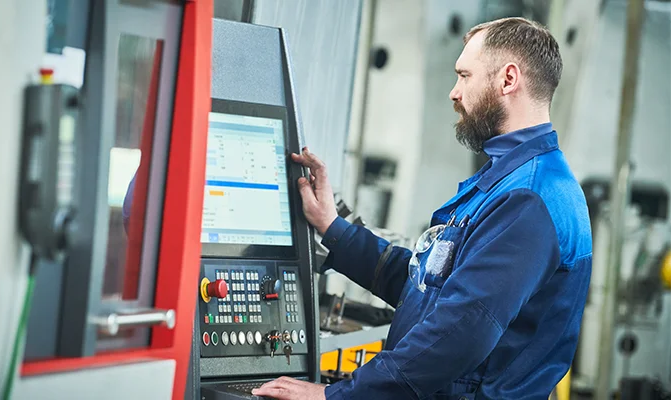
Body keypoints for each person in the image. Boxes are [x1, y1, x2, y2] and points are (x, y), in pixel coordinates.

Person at [253, 17, 592, 400]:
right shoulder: (510, 181)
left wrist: (333, 396)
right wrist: (333, 227)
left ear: (508, 79)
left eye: (464, 75)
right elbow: (427, 287)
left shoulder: (528, 198)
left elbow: (458, 335)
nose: (454, 92)